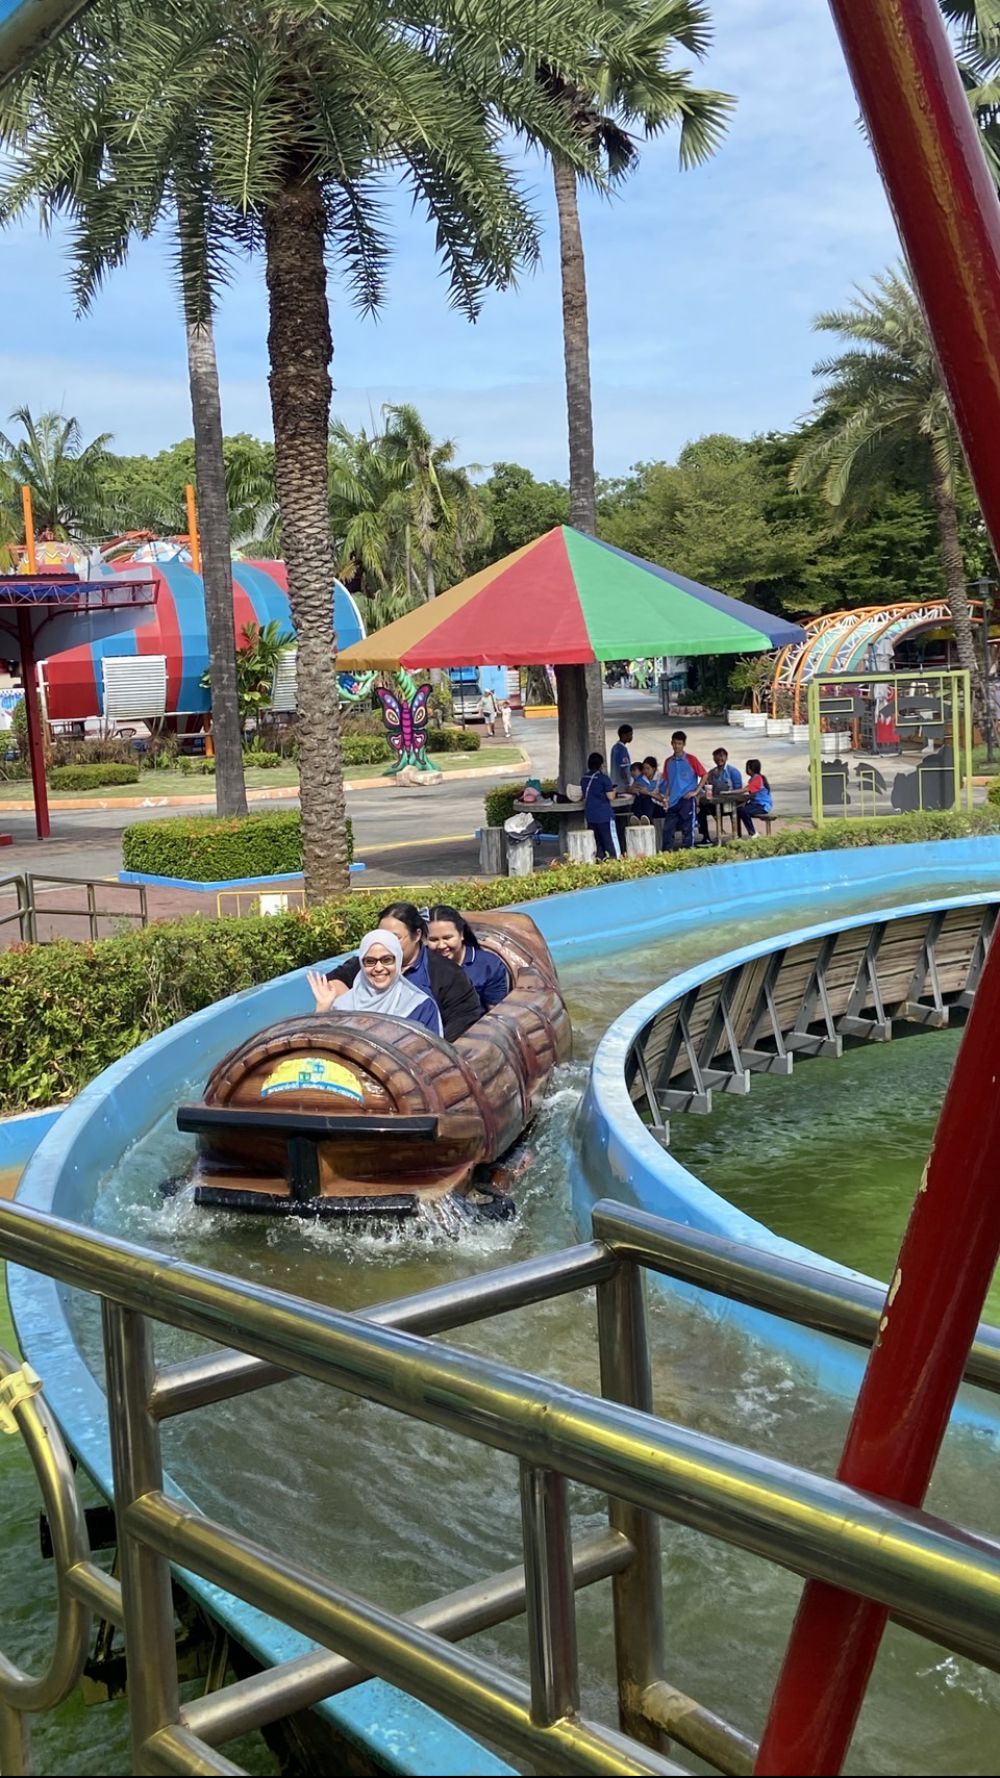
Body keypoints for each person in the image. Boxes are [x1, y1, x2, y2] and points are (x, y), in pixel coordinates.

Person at [310, 900, 481, 1041]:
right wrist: (345, 1007)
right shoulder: (366, 965)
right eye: (370, 962)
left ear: (417, 935)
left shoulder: (442, 980)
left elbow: (462, 1022)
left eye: (394, 938)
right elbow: (334, 982)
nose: (379, 968)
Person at [307, 931, 442, 1034]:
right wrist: (322, 1010)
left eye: (387, 960)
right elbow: (320, 1052)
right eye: (370, 961)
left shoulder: (420, 1005)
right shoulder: (342, 1006)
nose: (378, 968)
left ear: (398, 960)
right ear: (361, 963)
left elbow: (434, 1056)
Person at [427, 904, 510, 1012]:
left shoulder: (489, 965)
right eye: (433, 940)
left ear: (461, 934)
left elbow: (495, 1012)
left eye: (447, 938)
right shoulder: (420, 965)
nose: (441, 945)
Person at [659, 730, 706, 850]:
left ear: (684, 744)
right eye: (675, 743)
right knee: (668, 830)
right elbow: (668, 781)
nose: (677, 746)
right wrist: (666, 798)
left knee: (687, 829)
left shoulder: (691, 759)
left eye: (679, 744)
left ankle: (688, 852)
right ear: (671, 743)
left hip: (687, 799)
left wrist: (696, 791)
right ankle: (667, 854)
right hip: (673, 801)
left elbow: (704, 774)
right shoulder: (668, 762)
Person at [697, 747, 743, 843]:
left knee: (737, 809)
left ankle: (737, 836)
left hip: (729, 804)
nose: (719, 759)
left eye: (722, 756)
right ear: (714, 759)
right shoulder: (711, 773)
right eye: (717, 757)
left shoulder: (733, 771)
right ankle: (705, 837)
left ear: (726, 757)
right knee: (701, 810)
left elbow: (739, 790)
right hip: (714, 804)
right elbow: (703, 786)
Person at [580, 750, 620, 859]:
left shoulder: (584, 778)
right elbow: (610, 796)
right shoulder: (603, 779)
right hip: (603, 815)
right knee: (609, 842)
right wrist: (614, 791)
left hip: (590, 815)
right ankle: (613, 861)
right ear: (601, 765)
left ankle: (600, 861)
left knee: (597, 843)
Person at [738, 758, 774, 836]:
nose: (746, 769)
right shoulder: (752, 779)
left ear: (752, 768)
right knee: (738, 809)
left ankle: (753, 833)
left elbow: (745, 790)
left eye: (747, 767)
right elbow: (751, 794)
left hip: (762, 805)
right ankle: (738, 834)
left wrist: (728, 792)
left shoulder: (758, 778)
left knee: (743, 811)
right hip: (755, 804)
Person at [609, 723, 633, 791]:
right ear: (624, 735)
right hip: (622, 785)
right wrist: (627, 784)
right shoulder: (622, 750)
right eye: (630, 734)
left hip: (614, 783)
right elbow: (623, 769)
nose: (631, 737)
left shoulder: (615, 747)